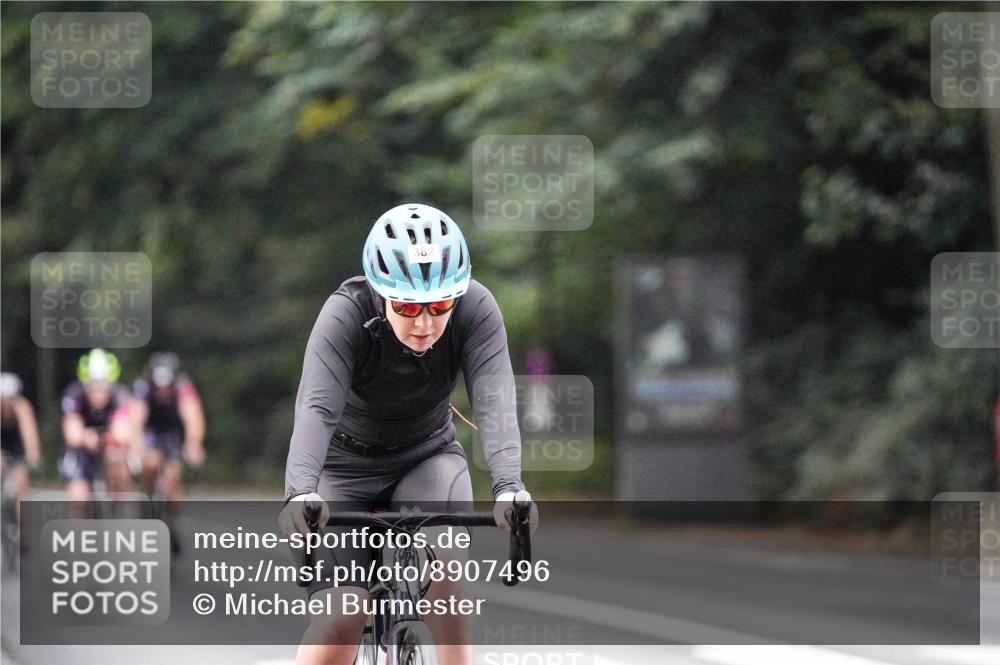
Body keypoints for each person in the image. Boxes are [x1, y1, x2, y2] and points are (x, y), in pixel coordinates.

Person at [279, 203, 537, 665]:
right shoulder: (344, 315)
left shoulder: (477, 308)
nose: (424, 323)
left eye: (439, 306)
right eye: (408, 307)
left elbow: (495, 401)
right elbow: (316, 408)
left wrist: (509, 487)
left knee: (448, 582)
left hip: (427, 457)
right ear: (381, 294)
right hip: (343, 469)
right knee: (340, 619)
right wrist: (300, 492)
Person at [60, 349, 135, 502]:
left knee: (117, 458)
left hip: (109, 446)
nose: (98, 392)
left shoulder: (120, 395)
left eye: (103, 386)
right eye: (93, 386)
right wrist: (85, 437)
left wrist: (110, 438)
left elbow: (124, 431)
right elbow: (72, 433)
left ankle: (115, 511)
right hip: (80, 450)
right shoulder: (74, 394)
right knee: (78, 498)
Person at [132, 352, 206, 502]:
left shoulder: (183, 387)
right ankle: (145, 498)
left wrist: (193, 444)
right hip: (151, 428)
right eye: (159, 387)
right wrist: (136, 446)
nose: (163, 392)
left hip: (173, 429)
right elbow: (136, 421)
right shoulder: (144, 387)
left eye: (167, 387)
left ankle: (172, 518)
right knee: (150, 463)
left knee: (174, 475)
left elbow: (194, 419)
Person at [0, 372, 41, 520]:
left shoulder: (23, 407)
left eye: (11, 399)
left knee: (21, 480)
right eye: (3, 400)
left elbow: (29, 433)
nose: (6, 404)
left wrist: (33, 455)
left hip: (16, 444)